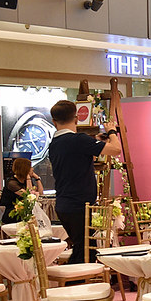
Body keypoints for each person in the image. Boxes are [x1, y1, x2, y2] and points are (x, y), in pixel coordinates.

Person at [49, 100, 122, 264]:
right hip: (79, 206)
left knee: (82, 248)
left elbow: (76, 158)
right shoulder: (79, 140)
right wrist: (111, 132)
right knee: (85, 252)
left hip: (64, 205)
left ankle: (74, 277)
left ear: (54, 121)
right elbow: (116, 150)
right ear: (76, 119)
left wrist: (95, 142)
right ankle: (73, 279)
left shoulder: (54, 144)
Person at [0, 157, 43, 224]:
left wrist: (37, 178)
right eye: (30, 167)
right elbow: (28, 195)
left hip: (24, 212)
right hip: (13, 213)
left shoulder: (25, 181)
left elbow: (40, 193)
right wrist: (28, 178)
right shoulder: (11, 183)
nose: (32, 169)